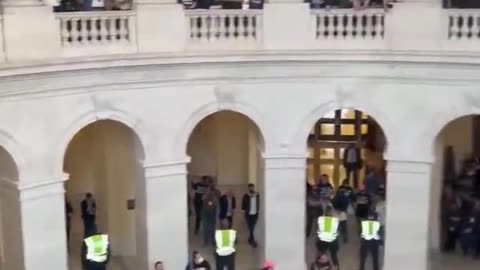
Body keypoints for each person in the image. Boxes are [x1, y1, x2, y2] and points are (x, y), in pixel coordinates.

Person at [242, 183, 260, 247]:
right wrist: (243, 211)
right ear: (248, 188)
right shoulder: (246, 195)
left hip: (255, 213)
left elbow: (258, 202)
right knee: (250, 226)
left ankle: (250, 239)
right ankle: (252, 240)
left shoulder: (257, 195)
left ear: (253, 188)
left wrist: (258, 210)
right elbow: (243, 203)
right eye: (250, 187)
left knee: (252, 226)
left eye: (252, 187)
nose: (251, 188)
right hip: (248, 213)